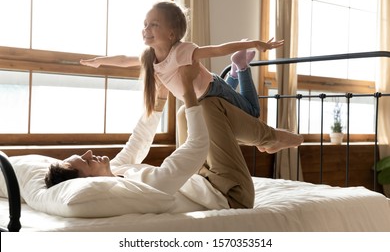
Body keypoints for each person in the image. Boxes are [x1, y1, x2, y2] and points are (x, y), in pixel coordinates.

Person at [45, 63, 303, 209]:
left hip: (204, 177)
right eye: (86, 161)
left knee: (183, 113)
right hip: (230, 195)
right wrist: (189, 90)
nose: (90, 154)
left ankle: (266, 138)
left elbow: (139, 139)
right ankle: (269, 138)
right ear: (87, 183)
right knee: (208, 105)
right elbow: (194, 149)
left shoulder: (118, 169)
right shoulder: (132, 192)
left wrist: (159, 97)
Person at [80, 0, 284, 117]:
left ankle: (241, 67)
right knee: (232, 102)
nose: (146, 28)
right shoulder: (150, 57)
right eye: (145, 24)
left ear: (171, 34)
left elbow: (216, 50)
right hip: (207, 93)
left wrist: (253, 43)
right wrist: (99, 61)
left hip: (213, 90)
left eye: (154, 24)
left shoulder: (180, 51)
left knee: (254, 112)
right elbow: (124, 59)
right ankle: (235, 67)